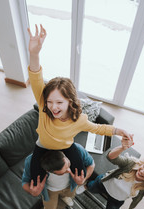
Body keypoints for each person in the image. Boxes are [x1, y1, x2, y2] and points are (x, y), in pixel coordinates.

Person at [27, 24, 132, 186]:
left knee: (81, 173)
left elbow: (98, 128)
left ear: (70, 101)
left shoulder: (79, 120)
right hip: (42, 145)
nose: (53, 107)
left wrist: (119, 131)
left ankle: (74, 187)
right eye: (50, 102)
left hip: (67, 146)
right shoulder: (43, 105)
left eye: (59, 102)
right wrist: (34, 54)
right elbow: (35, 78)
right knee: (35, 179)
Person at [78, 136, 144, 209]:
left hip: (117, 199)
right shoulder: (131, 164)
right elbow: (111, 157)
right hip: (105, 183)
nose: (142, 171)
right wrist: (122, 148)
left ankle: (117, 208)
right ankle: (85, 185)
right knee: (92, 187)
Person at [22, 143, 95, 209]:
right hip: (50, 191)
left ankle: (64, 196)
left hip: (70, 185)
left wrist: (83, 179)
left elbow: (91, 164)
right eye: (63, 172)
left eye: (68, 164)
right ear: (48, 171)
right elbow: (24, 182)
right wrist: (32, 192)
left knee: (70, 195)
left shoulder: (76, 150)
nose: (69, 170)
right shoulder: (30, 162)